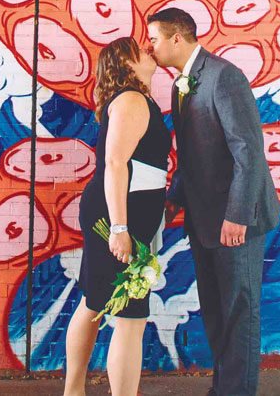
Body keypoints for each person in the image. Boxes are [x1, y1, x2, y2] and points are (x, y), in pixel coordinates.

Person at [146, 8, 280, 396]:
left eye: (154, 38)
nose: (149, 46)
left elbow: (249, 152)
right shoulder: (179, 85)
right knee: (218, 315)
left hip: (237, 222)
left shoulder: (224, 77)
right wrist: (173, 202)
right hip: (204, 222)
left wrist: (237, 216)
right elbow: (191, 156)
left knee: (240, 314)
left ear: (176, 38)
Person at [63, 36, 172, 396]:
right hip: (120, 214)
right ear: (127, 64)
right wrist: (120, 227)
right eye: (140, 51)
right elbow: (114, 163)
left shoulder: (134, 99)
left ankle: (73, 392)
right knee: (129, 318)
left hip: (125, 210)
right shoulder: (131, 99)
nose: (149, 51)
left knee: (94, 302)